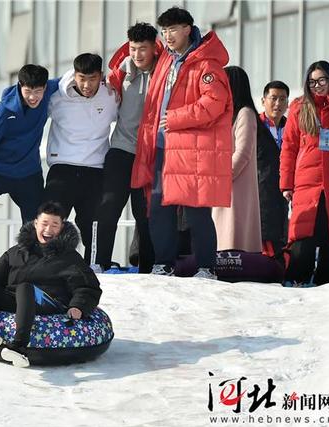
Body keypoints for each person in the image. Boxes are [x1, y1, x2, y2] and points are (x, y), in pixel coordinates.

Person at [131, 7, 233, 279]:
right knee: (158, 206)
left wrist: (176, 118)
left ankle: (206, 267)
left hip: (191, 150)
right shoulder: (166, 59)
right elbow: (129, 51)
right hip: (163, 146)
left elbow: (214, 104)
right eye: (164, 31)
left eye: (173, 29)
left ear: (188, 28)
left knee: (196, 210)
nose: (168, 35)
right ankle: (162, 263)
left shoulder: (206, 65)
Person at [0, 201, 102, 368]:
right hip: (16, 300)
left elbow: (88, 287)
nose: (48, 230)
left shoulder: (69, 258)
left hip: (48, 303)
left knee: (25, 287)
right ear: (36, 223)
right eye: (44, 223)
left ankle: (19, 346)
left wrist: (78, 306)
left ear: (62, 227)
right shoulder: (17, 252)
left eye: (54, 225)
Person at [0, 64, 59, 271]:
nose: (33, 97)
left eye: (38, 91)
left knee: (36, 218)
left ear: (44, 88)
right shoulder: (5, 111)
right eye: (28, 91)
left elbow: (71, 78)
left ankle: (35, 259)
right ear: (20, 86)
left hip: (28, 172)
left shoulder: (50, 88)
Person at [93, 23, 160, 273]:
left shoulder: (165, 72)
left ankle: (148, 268)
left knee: (145, 214)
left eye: (143, 49)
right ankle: (99, 262)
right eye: (133, 49)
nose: (137, 54)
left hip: (150, 153)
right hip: (121, 148)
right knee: (109, 207)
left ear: (154, 48)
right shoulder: (120, 72)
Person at [44, 53, 118, 264]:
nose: (86, 85)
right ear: (74, 75)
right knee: (51, 219)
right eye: (82, 78)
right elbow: (31, 100)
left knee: (93, 223)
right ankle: (46, 264)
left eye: (92, 79)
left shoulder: (111, 96)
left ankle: (95, 266)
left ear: (101, 76)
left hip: (95, 169)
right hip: (62, 167)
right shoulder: (57, 97)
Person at [280, 60, 329, 287]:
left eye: (322, 80)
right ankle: (296, 279)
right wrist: (286, 184)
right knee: (302, 235)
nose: (317, 85)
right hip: (306, 181)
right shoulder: (299, 107)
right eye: (312, 81)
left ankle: (328, 280)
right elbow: (289, 147)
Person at [212, 66, 262, 253]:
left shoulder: (245, 114)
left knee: (234, 238)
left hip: (235, 185)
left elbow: (243, 152)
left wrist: (222, 176)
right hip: (223, 184)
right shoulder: (227, 114)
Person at [257, 80, 290, 265]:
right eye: (273, 98)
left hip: (283, 190)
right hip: (259, 188)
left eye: (282, 99)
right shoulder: (255, 125)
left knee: (281, 229)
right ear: (263, 100)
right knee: (262, 231)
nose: (278, 104)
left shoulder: (291, 127)